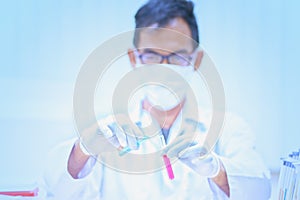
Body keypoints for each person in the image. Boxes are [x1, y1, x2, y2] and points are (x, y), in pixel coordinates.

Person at [41, 0, 271, 199]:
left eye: (178, 56)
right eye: (151, 54)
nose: (164, 69)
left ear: (197, 60)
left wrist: (216, 168)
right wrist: (84, 149)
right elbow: (59, 187)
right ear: (134, 57)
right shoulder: (106, 125)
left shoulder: (228, 128)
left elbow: (260, 190)